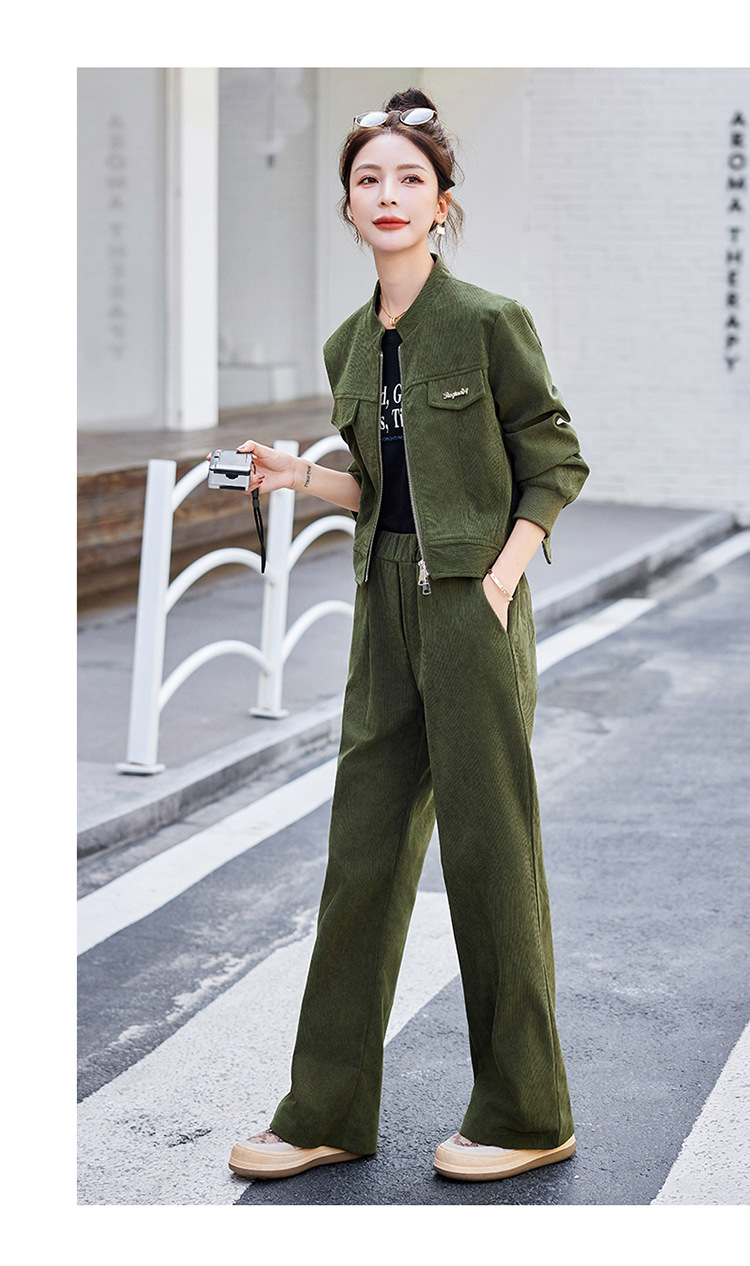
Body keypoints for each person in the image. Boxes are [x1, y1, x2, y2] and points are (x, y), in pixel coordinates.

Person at [226, 89, 590, 1184]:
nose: (388, 195)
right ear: (347, 206)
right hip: (381, 604)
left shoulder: (487, 321)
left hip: (470, 605)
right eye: (368, 179)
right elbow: (377, 486)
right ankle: (326, 1109)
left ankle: (526, 1112)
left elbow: (555, 461)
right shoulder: (348, 342)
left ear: (443, 204)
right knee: (361, 858)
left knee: (490, 854)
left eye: (410, 179)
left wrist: (499, 581)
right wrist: (300, 477)